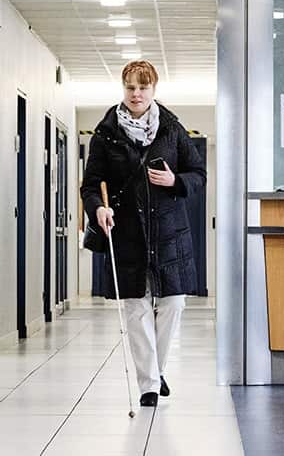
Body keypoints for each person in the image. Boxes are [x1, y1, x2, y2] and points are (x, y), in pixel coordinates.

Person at [81, 60, 206, 407]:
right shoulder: (106, 134)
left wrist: (175, 181)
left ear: (154, 89)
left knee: (173, 305)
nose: (136, 94)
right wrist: (99, 209)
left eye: (143, 87)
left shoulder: (171, 129)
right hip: (127, 234)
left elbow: (198, 173)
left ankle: (155, 368)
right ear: (123, 89)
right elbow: (90, 185)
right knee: (136, 310)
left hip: (169, 233)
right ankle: (149, 385)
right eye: (130, 87)